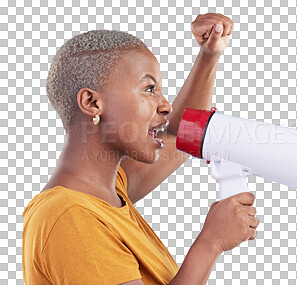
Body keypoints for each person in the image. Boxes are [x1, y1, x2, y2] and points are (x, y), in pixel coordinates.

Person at [22, 13, 259, 284]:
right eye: (149, 88)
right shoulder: (70, 218)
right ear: (92, 102)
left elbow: (184, 133)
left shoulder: (108, 193)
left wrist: (208, 55)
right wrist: (210, 243)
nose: (166, 105)